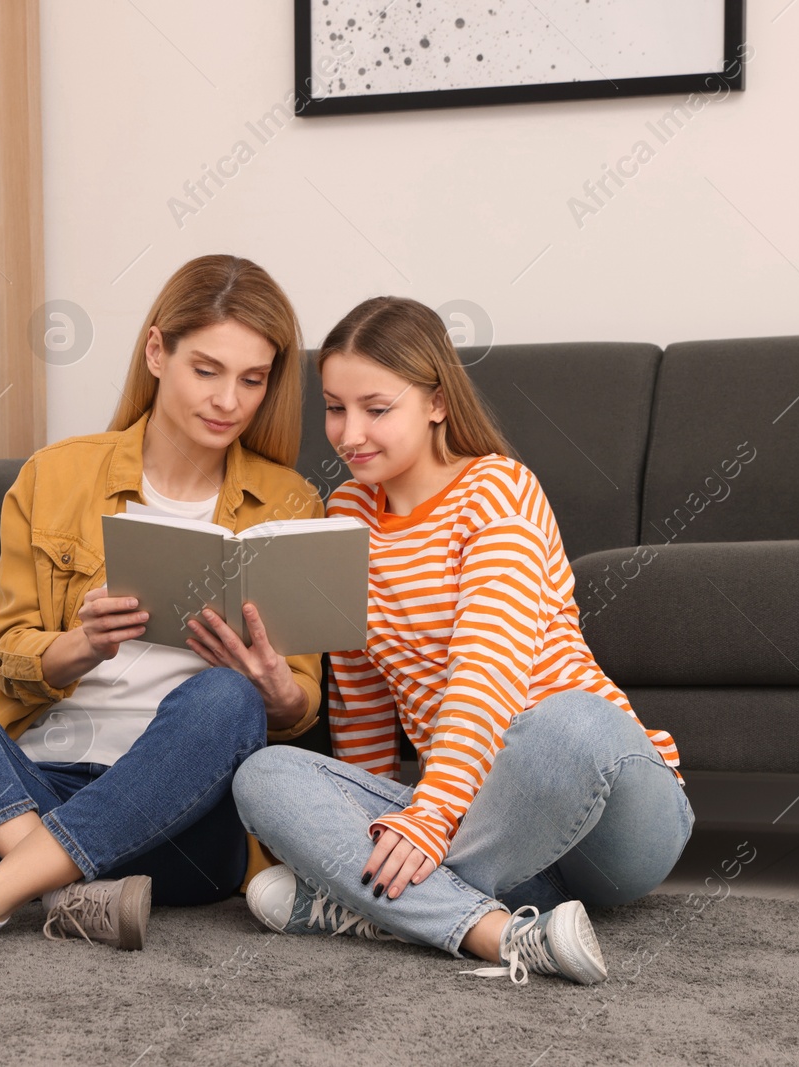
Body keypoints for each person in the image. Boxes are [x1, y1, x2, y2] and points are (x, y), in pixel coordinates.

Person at [0, 255, 327, 953]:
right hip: (26, 789)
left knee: (227, 699)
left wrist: (275, 690)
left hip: (184, 822)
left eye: (252, 379)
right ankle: (60, 886)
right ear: (157, 351)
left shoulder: (292, 502)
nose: (229, 399)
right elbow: (7, 651)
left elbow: (302, 707)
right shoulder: (57, 474)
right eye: (207, 369)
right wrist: (79, 644)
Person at [227, 296, 694, 985]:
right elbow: (360, 704)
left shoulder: (499, 490)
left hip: (609, 807)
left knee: (567, 722)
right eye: (334, 408)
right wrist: (393, 819)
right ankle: (491, 924)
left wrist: (424, 823)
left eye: (376, 409)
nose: (349, 433)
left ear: (437, 402)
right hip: (494, 832)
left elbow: (488, 672)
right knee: (264, 775)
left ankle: (372, 905)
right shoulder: (347, 513)